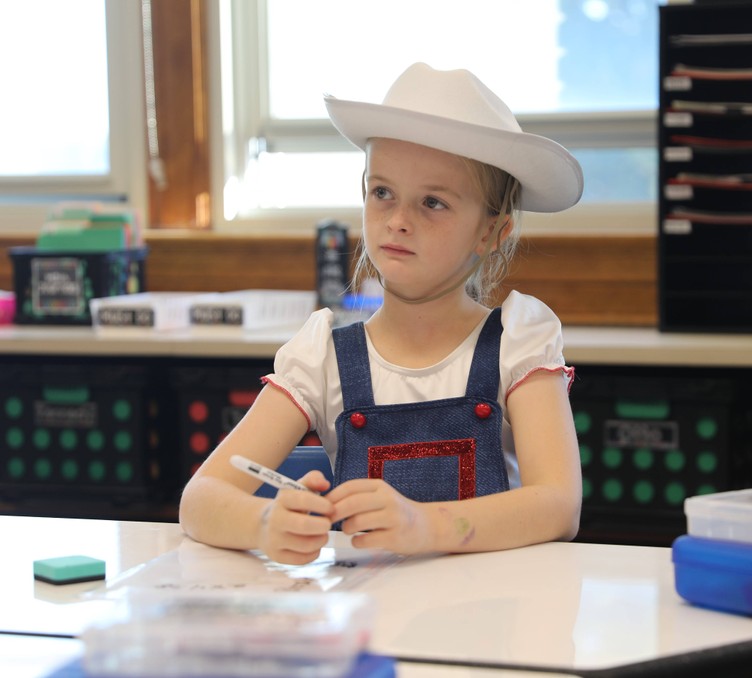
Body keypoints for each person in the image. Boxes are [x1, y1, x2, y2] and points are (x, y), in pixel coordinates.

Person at [179, 63, 584, 565]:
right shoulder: (323, 356)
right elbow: (199, 501)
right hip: (367, 625)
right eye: (382, 192)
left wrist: (422, 524)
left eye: (433, 202)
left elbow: (559, 506)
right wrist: (266, 524)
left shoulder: (517, 344)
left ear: (492, 233)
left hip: (494, 626)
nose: (397, 220)